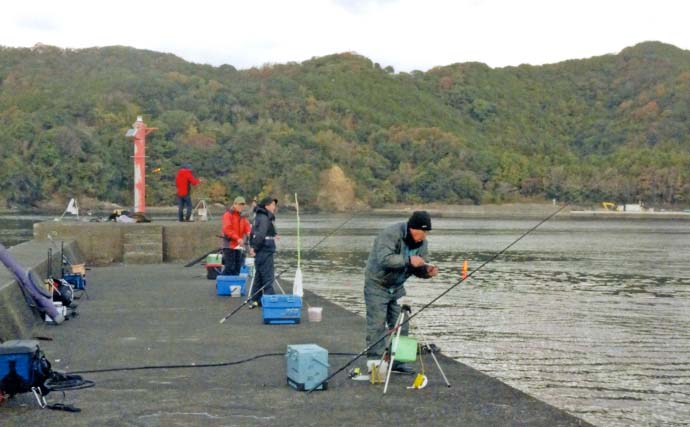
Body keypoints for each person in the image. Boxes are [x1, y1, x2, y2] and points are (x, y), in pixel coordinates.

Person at [364, 210, 439, 374]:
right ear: (413, 228)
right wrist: (408, 260)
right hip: (377, 284)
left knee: (401, 324)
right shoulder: (391, 234)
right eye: (423, 231)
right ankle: (375, 362)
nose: (425, 236)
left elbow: (418, 267)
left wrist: (427, 271)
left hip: (397, 287)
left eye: (427, 232)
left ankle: (397, 361)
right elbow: (384, 259)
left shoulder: (422, 244)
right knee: (376, 324)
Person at [248, 197, 278, 308]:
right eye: (273, 205)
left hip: (260, 250)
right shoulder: (264, 217)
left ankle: (256, 300)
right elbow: (261, 235)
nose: (274, 207)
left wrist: (252, 247)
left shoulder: (258, 216)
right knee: (268, 276)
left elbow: (252, 233)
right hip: (265, 250)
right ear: (267, 206)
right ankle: (271, 301)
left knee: (259, 276)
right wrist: (254, 248)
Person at [221, 196, 251, 275]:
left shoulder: (242, 216)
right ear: (234, 204)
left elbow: (246, 226)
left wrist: (249, 232)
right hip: (229, 245)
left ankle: (235, 284)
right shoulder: (228, 215)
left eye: (243, 205)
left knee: (237, 266)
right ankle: (222, 284)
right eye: (239, 204)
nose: (241, 207)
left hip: (238, 245)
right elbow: (227, 229)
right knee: (229, 266)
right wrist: (237, 238)